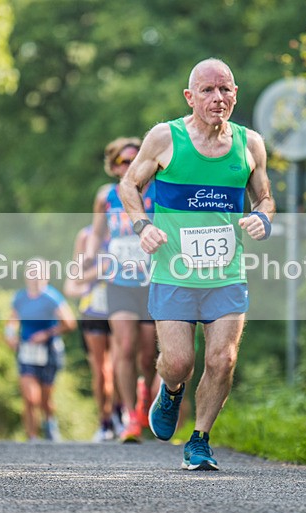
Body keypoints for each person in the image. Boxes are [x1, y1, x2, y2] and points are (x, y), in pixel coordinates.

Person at [118, 58, 275, 470]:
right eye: (207, 90)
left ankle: (200, 440)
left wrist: (262, 218)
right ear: (190, 97)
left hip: (226, 272)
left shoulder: (250, 144)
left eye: (225, 89)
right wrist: (142, 225)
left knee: (222, 358)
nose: (217, 98)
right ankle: (170, 391)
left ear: (235, 94)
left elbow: (265, 198)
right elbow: (129, 184)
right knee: (179, 362)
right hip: (175, 271)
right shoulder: (164, 138)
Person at [84, 137, 158, 443]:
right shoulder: (106, 197)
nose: (129, 166)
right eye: (123, 162)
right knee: (124, 348)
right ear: (114, 167)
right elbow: (97, 232)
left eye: (134, 160)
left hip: (152, 280)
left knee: (148, 355)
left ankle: (144, 399)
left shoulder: (156, 192)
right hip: (118, 281)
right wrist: (90, 255)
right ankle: (130, 417)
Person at [5, 258, 77, 442]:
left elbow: (70, 323)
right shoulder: (20, 297)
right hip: (27, 351)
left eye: (39, 273)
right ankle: (32, 438)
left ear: (46, 275)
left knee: (45, 400)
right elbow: (12, 321)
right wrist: (10, 335)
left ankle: (49, 423)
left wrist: (47, 333)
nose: (35, 277)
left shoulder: (52, 297)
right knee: (30, 398)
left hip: (49, 351)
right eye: (32, 273)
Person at [64, 226, 121, 442]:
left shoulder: (124, 232)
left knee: (119, 365)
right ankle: (104, 420)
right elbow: (73, 281)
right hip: (93, 312)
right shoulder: (86, 236)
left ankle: (120, 413)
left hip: (120, 306)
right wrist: (99, 272)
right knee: (102, 371)